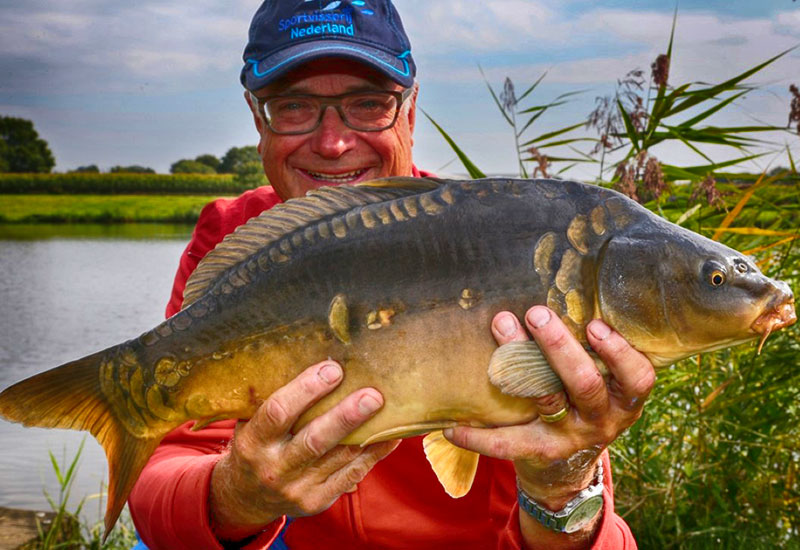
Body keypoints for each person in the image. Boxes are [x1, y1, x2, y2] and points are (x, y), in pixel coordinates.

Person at [128, 1, 655, 548]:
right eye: (293, 107)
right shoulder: (236, 240)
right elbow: (165, 484)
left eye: (367, 104)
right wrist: (238, 496)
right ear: (257, 117)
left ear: (408, 109)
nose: (332, 142)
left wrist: (562, 488)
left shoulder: (511, 241)